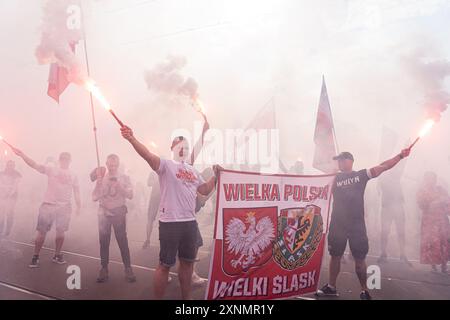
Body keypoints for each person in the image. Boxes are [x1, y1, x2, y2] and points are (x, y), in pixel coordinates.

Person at [120, 125, 218, 300]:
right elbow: (147, 155)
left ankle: (186, 299)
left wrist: (216, 177)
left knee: (187, 264)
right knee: (165, 265)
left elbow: (204, 190)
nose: (183, 149)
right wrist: (132, 139)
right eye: (179, 146)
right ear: (172, 148)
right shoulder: (166, 165)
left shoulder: (192, 170)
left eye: (185, 147)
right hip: (170, 223)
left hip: (189, 222)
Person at [316, 148, 410, 300]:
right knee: (335, 256)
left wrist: (400, 156)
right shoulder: (333, 178)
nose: (339, 162)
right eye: (338, 160)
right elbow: (314, 187)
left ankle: (364, 290)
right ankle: (331, 287)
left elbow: (384, 166)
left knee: (360, 259)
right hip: (338, 224)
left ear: (350, 161)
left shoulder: (361, 175)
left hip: (356, 225)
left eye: (341, 159)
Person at [12, 149, 81, 268]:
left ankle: (57, 255)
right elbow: (34, 165)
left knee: (60, 233)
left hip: (64, 207)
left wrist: (79, 205)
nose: (65, 161)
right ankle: (35, 256)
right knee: (41, 233)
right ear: (59, 160)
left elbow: (77, 190)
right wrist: (22, 155)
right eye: (62, 159)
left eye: (67, 159)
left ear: (70, 161)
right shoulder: (51, 169)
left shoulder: (73, 174)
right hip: (48, 205)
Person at [92, 154, 136, 283]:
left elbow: (131, 195)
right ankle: (104, 269)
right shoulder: (101, 178)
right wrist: (98, 185)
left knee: (122, 241)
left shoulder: (124, 177)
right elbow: (94, 197)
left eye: (114, 165)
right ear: (106, 164)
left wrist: (119, 186)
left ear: (118, 164)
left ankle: (128, 268)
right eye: (110, 165)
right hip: (103, 213)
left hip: (119, 213)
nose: (112, 167)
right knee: (104, 242)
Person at [377, 160, 411, 265]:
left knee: (400, 231)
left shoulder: (395, 176)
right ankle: (383, 253)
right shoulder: (383, 177)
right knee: (385, 231)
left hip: (397, 207)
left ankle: (402, 253)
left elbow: (403, 165)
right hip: (388, 207)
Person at [416, 171, 450, 273]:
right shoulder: (422, 191)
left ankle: (444, 265)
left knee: (444, 242)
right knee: (432, 242)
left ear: (435, 180)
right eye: (428, 178)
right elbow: (421, 205)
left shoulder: (440, 189)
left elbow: (448, 202)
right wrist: (434, 201)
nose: (430, 181)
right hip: (429, 221)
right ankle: (433, 265)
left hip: (442, 220)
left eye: (432, 178)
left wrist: (444, 203)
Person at [0, 160, 22, 237]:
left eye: (11, 165)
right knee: (1, 213)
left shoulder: (17, 175)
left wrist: (9, 194)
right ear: (6, 166)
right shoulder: (2, 174)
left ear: (14, 166)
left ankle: (7, 230)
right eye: (8, 165)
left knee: (9, 213)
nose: (10, 167)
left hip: (12, 197)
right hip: (2, 195)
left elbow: (15, 187)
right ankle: (1, 229)